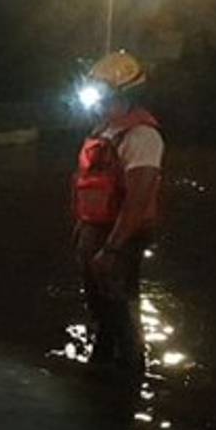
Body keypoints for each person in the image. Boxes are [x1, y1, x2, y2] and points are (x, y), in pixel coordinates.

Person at [71, 51, 164, 376]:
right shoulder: (103, 131)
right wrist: (83, 230)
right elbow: (88, 184)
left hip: (120, 237)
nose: (96, 102)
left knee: (121, 306)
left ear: (124, 95)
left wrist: (112, 247)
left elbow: (138, 199)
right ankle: (101, 363)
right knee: (99, 304)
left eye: (103, 95)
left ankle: (130, 377)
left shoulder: (142, 137)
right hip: (94, 231)